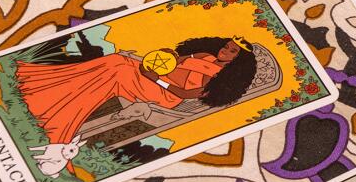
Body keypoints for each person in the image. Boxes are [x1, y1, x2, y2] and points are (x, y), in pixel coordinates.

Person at [17, 36, 257, 174]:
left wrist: (157, 80)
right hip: (153, 77)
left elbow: (187, 92)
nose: (225, 51)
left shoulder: (221, 76)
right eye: (226, 46)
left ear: (238, 59)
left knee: (117, 72)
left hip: (165, 94)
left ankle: (60, 126)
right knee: (116, 60)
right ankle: (46, 85)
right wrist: (163, 58)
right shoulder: (204, 56)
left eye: (232, 51)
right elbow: (176, 61)